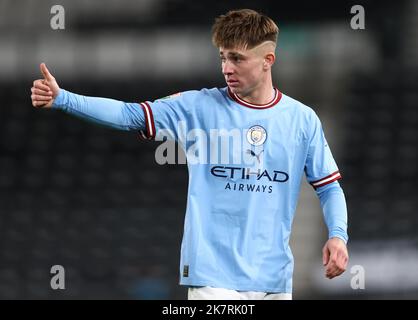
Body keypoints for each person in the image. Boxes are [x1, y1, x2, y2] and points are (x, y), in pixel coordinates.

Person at [30, 9, 348, 300]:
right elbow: (131, 115)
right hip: (213, 278)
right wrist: (64, 99)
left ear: (268, 59)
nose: (226, 68)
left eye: (237, 59)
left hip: (274, 280)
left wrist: (337, 236)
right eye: (223, 58)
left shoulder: (302, 119)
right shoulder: (197, 107)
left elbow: (329, 186)